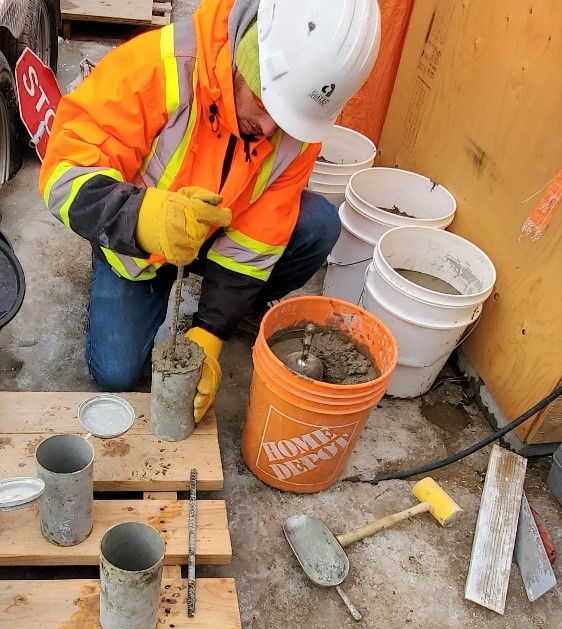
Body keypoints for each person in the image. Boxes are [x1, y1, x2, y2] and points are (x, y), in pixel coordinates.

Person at [39, 0, 381, 423]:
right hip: (138, 242)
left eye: (288, 118)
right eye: (265, 102)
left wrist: (212, 330)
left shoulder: (298, 126)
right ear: (247, 62)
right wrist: (141, 219)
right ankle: (119, 271)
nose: (272, 129)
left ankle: (241, 309)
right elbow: (62, 173)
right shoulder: (158, 66)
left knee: (317, 224)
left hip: (216, 233)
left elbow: (260, 236)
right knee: (115, 374)